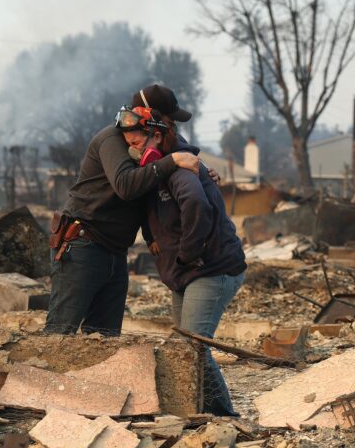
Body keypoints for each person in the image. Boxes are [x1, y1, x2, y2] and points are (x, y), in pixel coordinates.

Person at [45, 85, 213, 335]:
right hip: (82, 245)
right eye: (168, 121)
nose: (172, 128)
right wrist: (173, 161)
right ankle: (37, 375)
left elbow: (179, 154)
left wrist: (203, 168)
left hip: (115, 250)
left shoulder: (155, 140)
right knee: (60, 332)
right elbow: (126, 186)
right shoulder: (112, 140)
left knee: (105, 338)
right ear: (150, 116)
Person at [139, 111, 247, 417]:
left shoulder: (180, 169)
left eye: (137, 141)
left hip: (210, 269)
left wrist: (187, 253)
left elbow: (196, 205)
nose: (133, 148)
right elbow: (145, 209)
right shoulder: (156, 171)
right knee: (184, 345)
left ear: (157, 137)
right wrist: (150, 238)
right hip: (187, 271)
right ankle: (199, 411)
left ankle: (224, 415)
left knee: (193, 349)